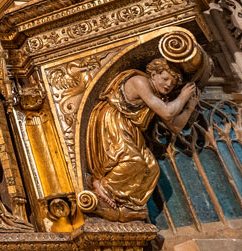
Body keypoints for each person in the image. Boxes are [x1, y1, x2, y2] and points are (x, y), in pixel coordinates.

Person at [85, 58, 199, 222]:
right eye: (165, 79)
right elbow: (167, 113)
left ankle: (127, 203)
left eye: (173, 84)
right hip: (115, 120)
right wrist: (183, 96)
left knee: (151, 168)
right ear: (154, 74)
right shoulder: (139, 81)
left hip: (131, 128)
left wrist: (189, 107)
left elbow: (174, 126)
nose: (168, 85)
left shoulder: (159, 97)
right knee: (132, 161)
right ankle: (102, 186)